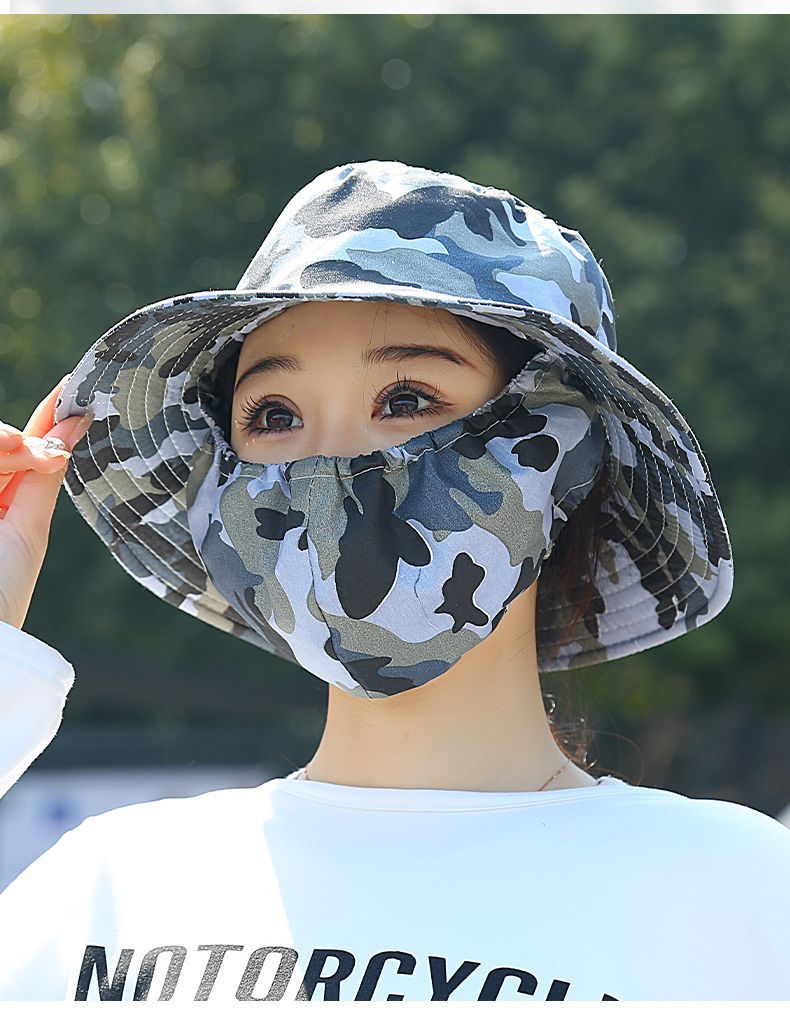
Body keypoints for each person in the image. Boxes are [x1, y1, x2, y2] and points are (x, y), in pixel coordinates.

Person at [0, 160, 787, 1003]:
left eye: (406, 399)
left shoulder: (737, 896)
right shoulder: (106, 890)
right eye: (273, 415)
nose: (330, 461)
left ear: (559, 448)